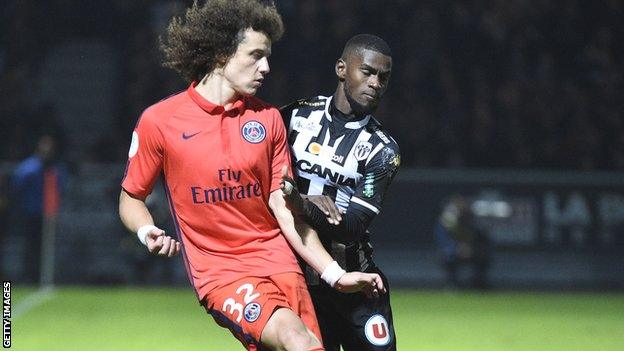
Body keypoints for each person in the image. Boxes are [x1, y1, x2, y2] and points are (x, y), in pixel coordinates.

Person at [118, 2, 384, 350]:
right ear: (220, 54)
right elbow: (131, 197)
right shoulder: (161, 121)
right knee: (296, 341)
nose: (266, 67)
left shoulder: (269, 120)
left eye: (268, 56)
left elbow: (285, 211)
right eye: (256, 55)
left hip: (281, 264)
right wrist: (146, 230)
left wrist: (335, 275)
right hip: (222, 274)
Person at [279, 34, 400, 351]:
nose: (376, 83)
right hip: (300, 284)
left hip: (358, 285)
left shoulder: (383, 150)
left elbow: (353, 227)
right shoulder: (293, 117)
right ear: (342, 69)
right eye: (368, 72)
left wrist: (302, 204)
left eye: (383, 77)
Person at [10, 133, 67, 284]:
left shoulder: (55, 169)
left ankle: (45, 277)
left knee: (47, 248)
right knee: (31, 246)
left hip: (49, 214)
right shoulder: (29, 168)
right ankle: (30, 276)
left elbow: (61, 188)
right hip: (32, 213)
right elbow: (17, 187)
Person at [434, 196, 491, 289]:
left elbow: (479, 237)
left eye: (461, 203)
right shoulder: (448, 218)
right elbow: (442, 239)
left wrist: (470, 248)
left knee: (483, 256)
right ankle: (453, 285)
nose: (460, 205)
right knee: (446, 256)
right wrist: (457, 248)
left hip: (471, 251)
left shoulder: (470, 217)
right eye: (457, 203)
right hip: (454, 252)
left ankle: (478, 284)